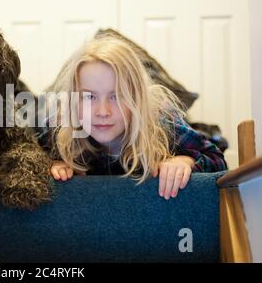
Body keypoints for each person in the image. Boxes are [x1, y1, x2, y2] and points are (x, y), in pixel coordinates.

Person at [40, 35, 227, 200]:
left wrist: (186, 161)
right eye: (89, 97)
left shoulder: (161, 126)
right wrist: (52, 165)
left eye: (117, 96)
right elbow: (24, 157)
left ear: (137, 99)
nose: (103, 111)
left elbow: (218, 160)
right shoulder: (61, 133)